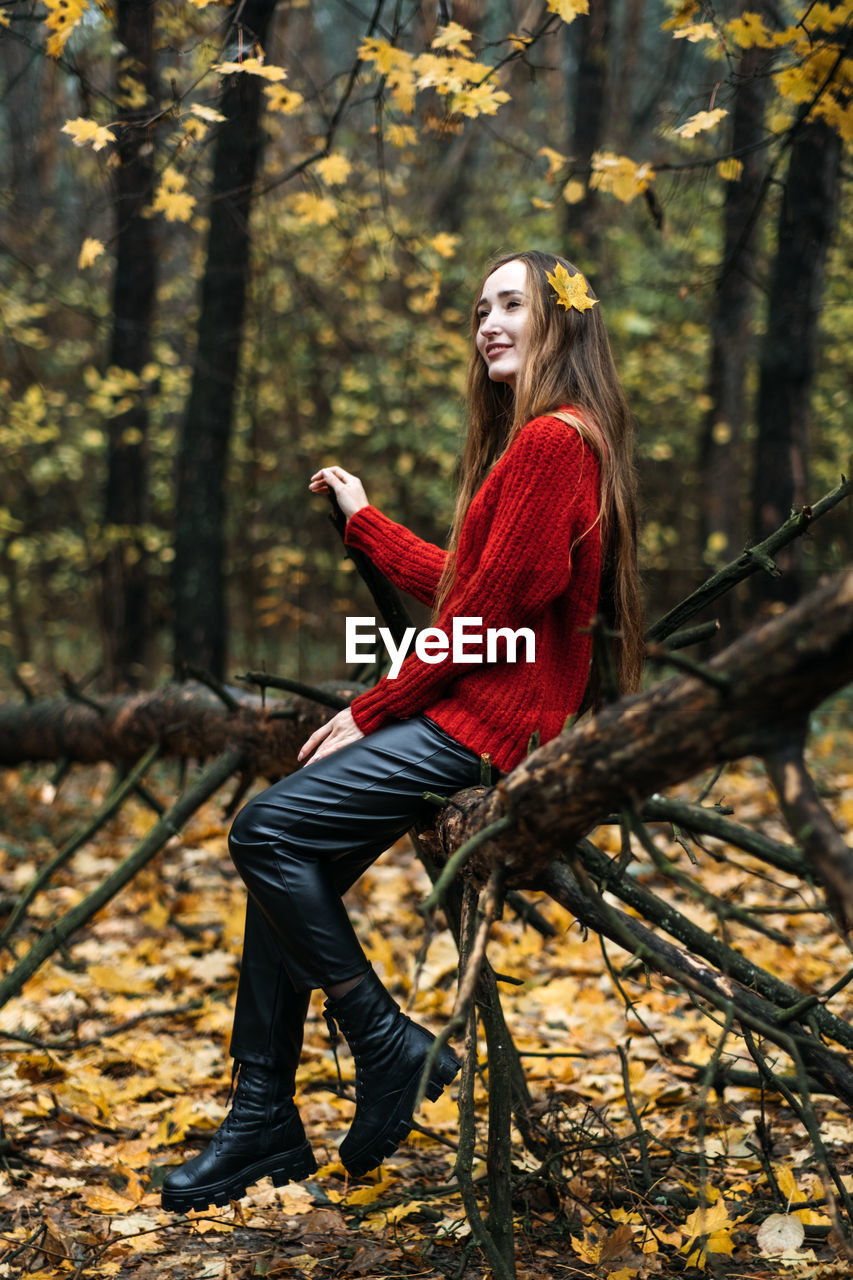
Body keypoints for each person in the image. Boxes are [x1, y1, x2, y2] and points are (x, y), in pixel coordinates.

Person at [160, 250, 643, 1212]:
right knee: (285, 878)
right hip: (483, 713)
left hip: (488, 724)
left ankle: (390, 1047)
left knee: (263, 832)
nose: (490, 324)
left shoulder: (554, 441)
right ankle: (263, 1121)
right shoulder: (549, 444)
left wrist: (370, 707)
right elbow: (475, 584)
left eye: (513, 304)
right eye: (480, 311)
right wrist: (365, 519)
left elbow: (483, 619)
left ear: (562, 322)